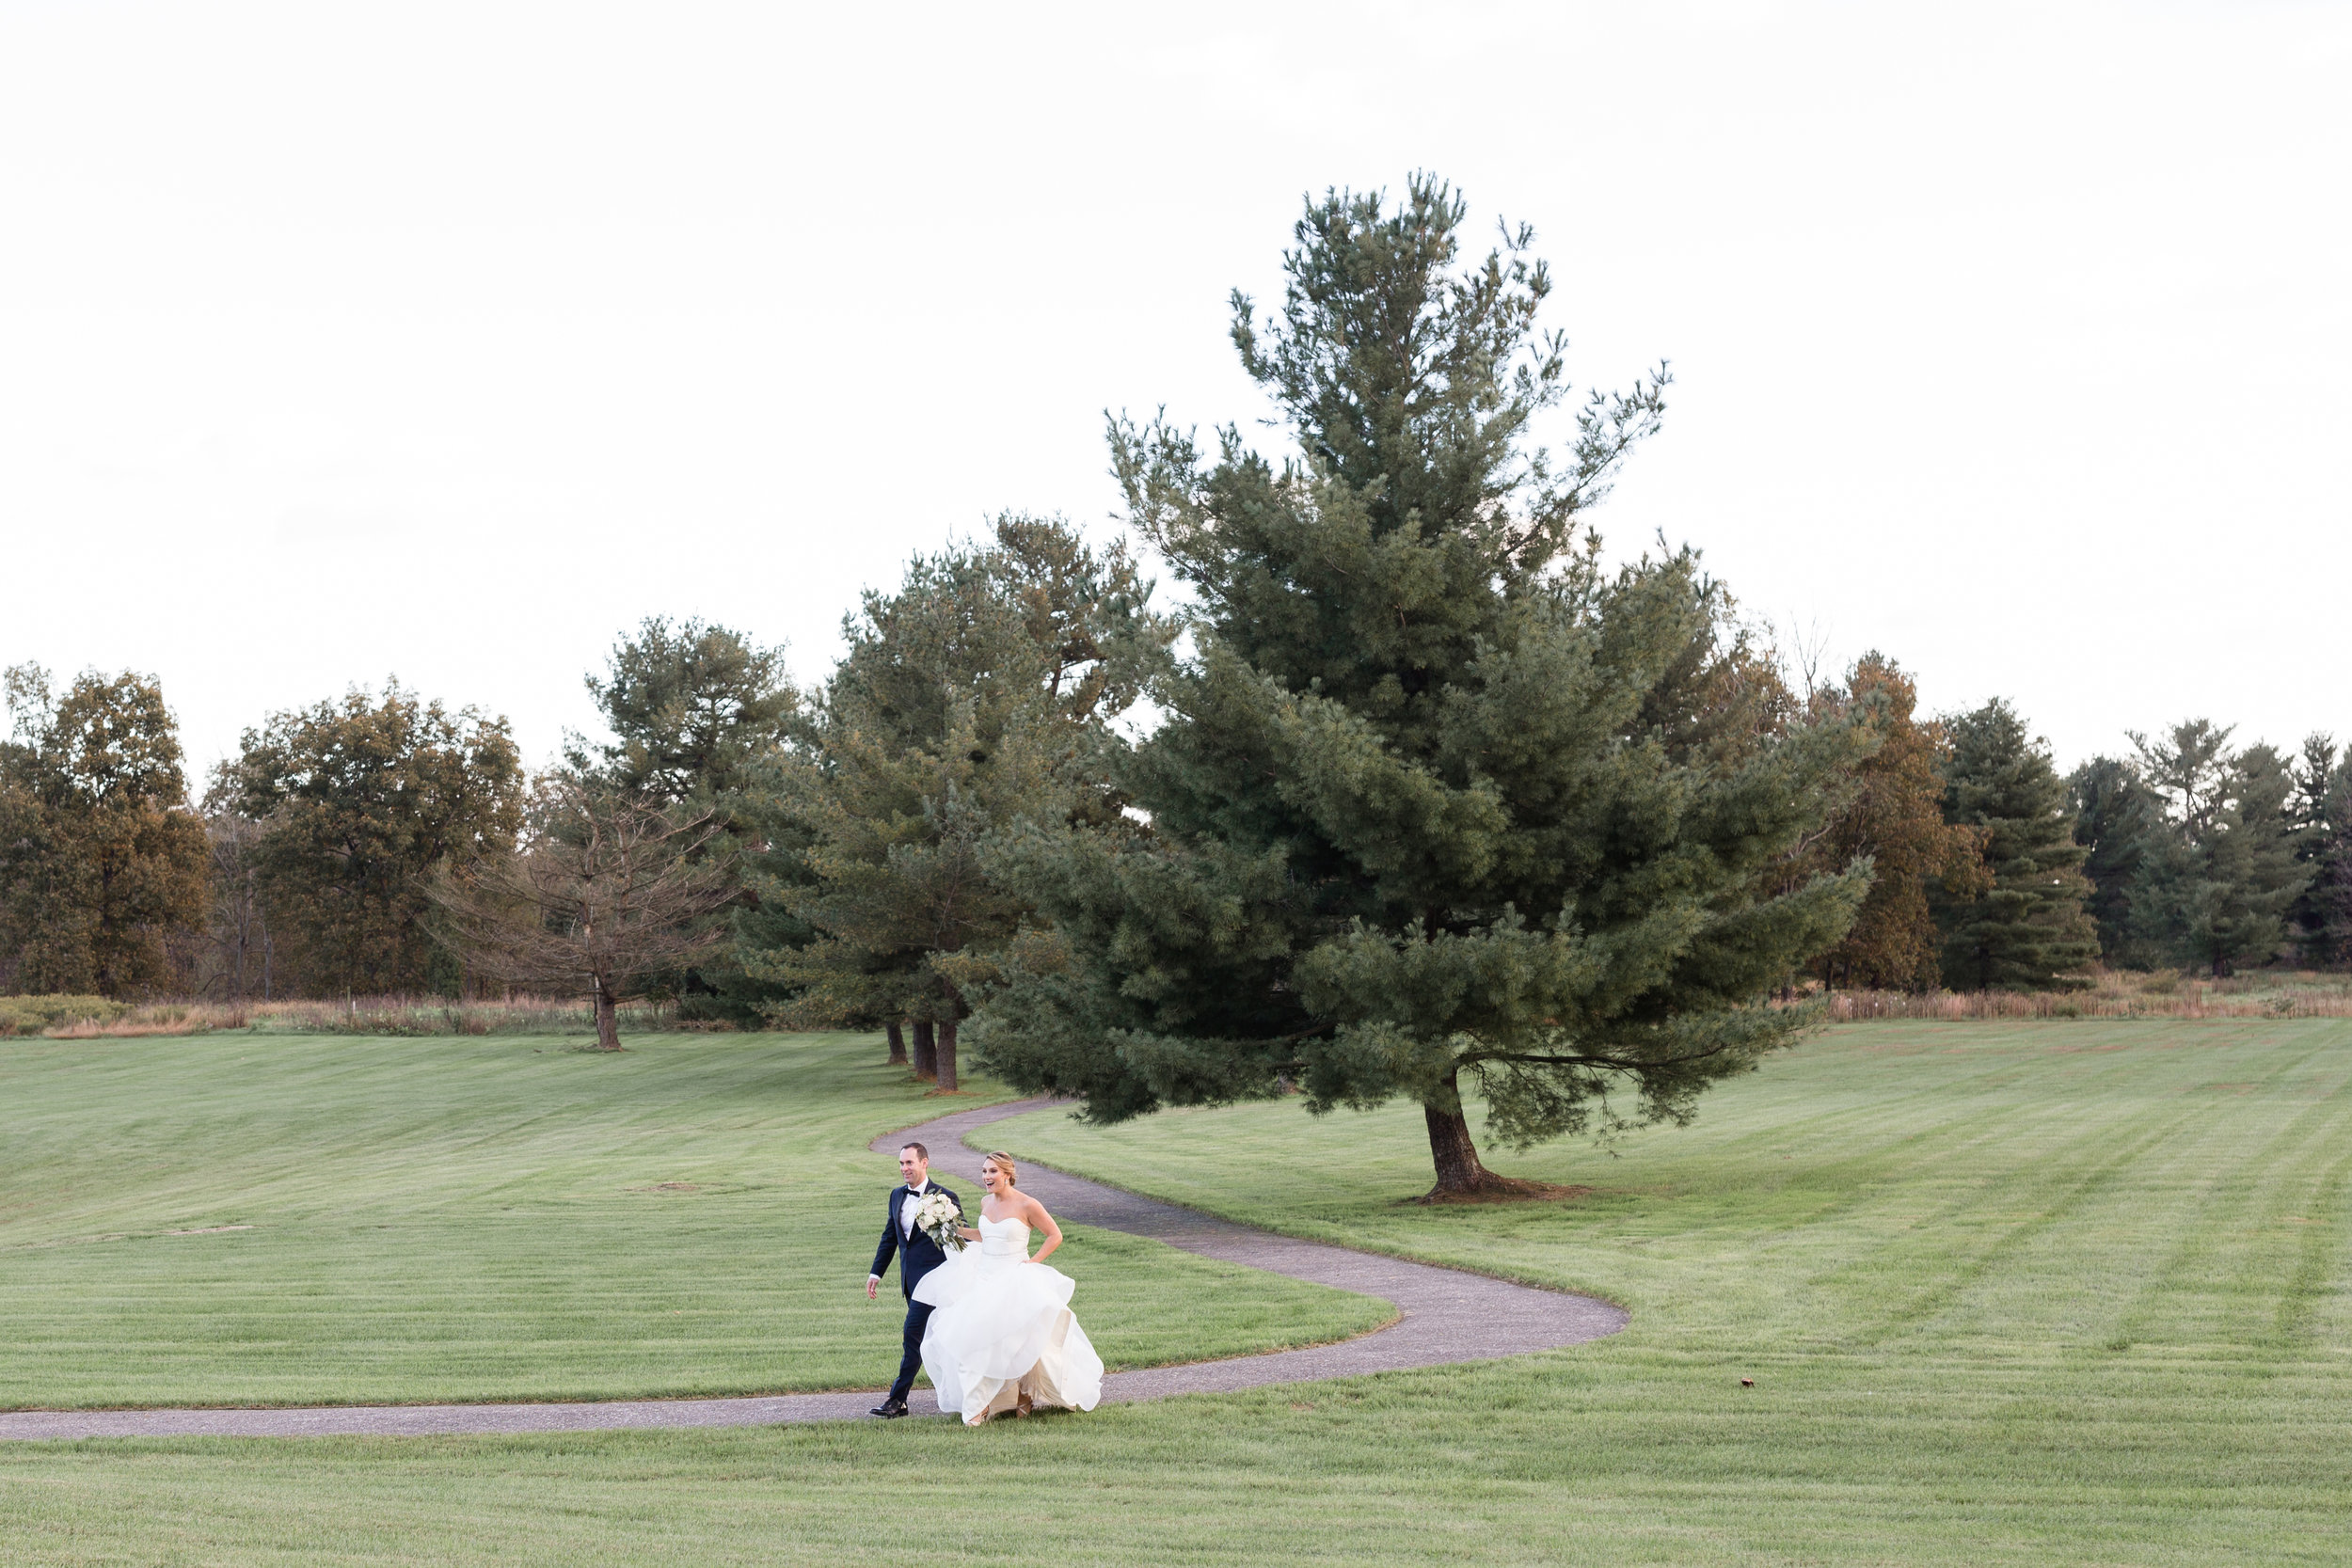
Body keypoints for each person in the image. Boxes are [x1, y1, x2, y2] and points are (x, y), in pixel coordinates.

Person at [912, 1150, 1104, 1425]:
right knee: (977, 1339)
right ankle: (980, 1404)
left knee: (1020, 1339)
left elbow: (1055, 1235)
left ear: (1007, 1175)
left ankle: (1024, 1393)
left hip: (1015, 1275)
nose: (986, 1177)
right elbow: (987, 1236)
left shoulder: (1028, 1204)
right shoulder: (985, 1202)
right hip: (984, 1278)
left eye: (992, 1172)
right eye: (984, 1171)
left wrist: (1033, 1262)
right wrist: (953, 1230)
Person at [866, 1141, 961, 1419]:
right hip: (911, 1282)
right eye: (901, 1163)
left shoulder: (945, 1197)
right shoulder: (897, 1196)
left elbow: (959, 1241)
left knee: (913, 1337)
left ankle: (897, 1400)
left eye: (909, 1163)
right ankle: (967, 1392)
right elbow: (890, 1237)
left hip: (938, 1283)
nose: (904, 1168)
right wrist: (876, 1273)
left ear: (924, 1163)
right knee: (934, 1341)